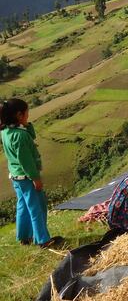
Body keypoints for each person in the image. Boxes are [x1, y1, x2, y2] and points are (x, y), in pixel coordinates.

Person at [1, 99, 63, 248]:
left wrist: (25, 124)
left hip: (16, 177)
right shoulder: (20, 136)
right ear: (19, 115)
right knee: (37, 207)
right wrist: (35, 178)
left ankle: (24, 236)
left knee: (23, 205)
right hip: (27, 178)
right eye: (27, 112)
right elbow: (26, 161)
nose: (29, 115)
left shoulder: (6, 131)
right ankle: (43, 240)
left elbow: (31, 136)